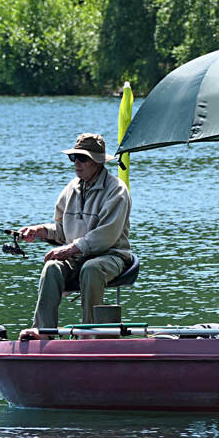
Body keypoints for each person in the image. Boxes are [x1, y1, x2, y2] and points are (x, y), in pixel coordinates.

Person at [16, 133, 132, 339]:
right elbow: (62, 231)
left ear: (97, 161)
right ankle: (43, 331)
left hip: (111, 256)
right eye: (73, 158)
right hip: (76, 256)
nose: (76, 163)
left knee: (91, 268)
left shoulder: (117, 191)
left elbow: (106, 236)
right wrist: (39, 230)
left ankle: (89, 334)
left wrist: (71, 249)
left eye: (82, 158)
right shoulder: (71, 188)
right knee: (51, 267)